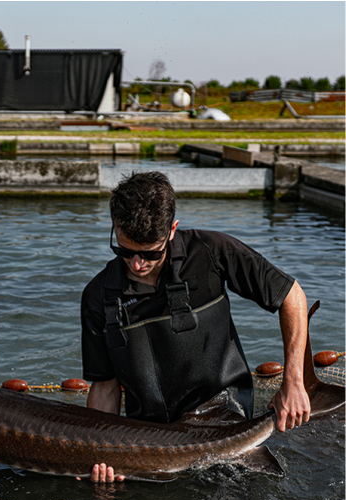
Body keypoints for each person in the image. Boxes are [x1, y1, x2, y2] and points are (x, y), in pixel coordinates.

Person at [81, 171, 310, 482]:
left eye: (150, 254)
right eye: (124, 251)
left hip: (226, 427)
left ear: (172, 230)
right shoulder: (97, 296)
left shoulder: (212, 252)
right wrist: (96, 455)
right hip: (151, 448)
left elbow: (292, 296)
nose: (136, 264)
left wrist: (293, 383)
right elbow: (105, 388)